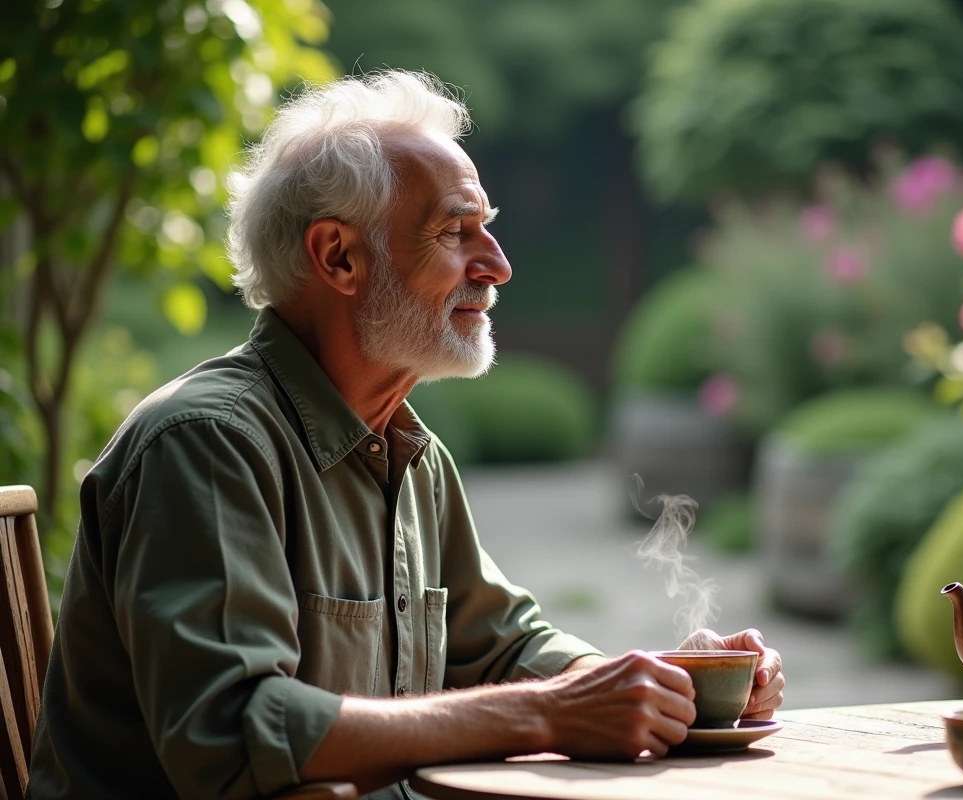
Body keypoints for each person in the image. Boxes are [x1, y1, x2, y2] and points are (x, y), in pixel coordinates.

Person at [27, 71, 785, 800]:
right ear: (339, 256)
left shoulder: (410, 452)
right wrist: (548, 713)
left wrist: (665, 687)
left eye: (486, 230)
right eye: (456, 232)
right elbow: (232, 734)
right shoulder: (204, 444)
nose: (498, 265)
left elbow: (505, 647)